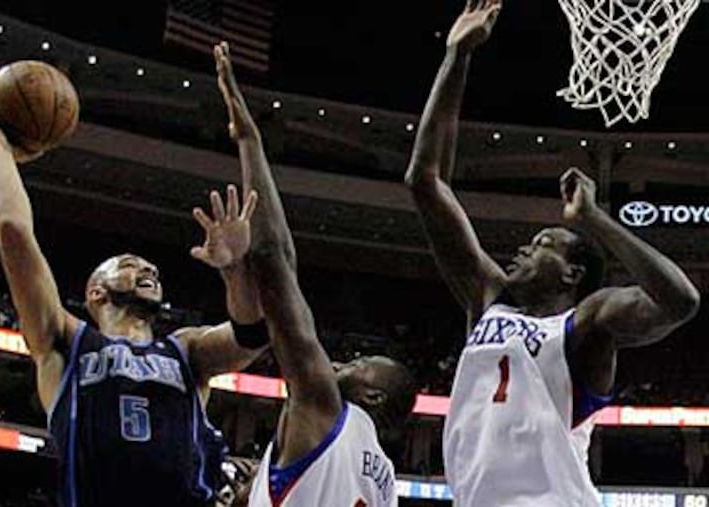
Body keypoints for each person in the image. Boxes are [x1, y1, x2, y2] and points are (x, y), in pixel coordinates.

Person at [403, 1, 701, 505]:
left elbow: (681, 301)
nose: (524, 247)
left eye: (545, 244)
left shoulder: (587, 324)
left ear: (572, 273)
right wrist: (457, 58)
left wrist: (593, 219)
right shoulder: (488, 299)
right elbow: (425, 181)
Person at [0, 91, 269, 507]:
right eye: (131, 264)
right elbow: (12, 231)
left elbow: (253, 334)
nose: (148, 270)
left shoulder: (187, 349)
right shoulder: (65, 342)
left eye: (151, 268)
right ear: (96, 291)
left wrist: (235, 268)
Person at [214, 41, 418, 506]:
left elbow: (274, 258)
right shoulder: (384, 480)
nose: (341, 362)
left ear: (374, 396)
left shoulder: (327, 410)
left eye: (358, 364)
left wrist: (250, 142)